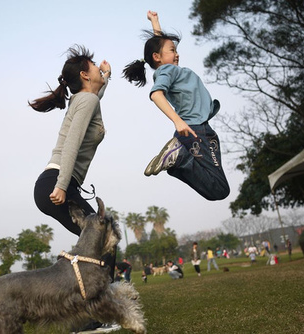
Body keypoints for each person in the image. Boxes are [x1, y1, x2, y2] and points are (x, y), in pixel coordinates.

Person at [29, 45, 120, 334]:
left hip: (57, 182)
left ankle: (86, 314)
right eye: (94, 67)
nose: (97, 70)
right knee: (104, 237)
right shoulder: (86, 101)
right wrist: (62, 186)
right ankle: (93, 316)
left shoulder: (86, 99)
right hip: (57, 183)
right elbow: (70, 146)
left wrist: (105, 75)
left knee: (96, 243)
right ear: (84, 74)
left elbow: (96, 96)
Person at [122, 11, 230, 201]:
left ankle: (178, 160)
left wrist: (155, 23)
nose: (177, 54)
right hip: (196, 129)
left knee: (216, 189)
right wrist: (177, 121)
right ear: (157, 57)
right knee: (219, 189)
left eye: (176, 50)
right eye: (172, 50)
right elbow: (156, 95)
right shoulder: (168, 70)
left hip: (194, 130)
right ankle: (180, 157)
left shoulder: (170, 69)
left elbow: (160, 47)